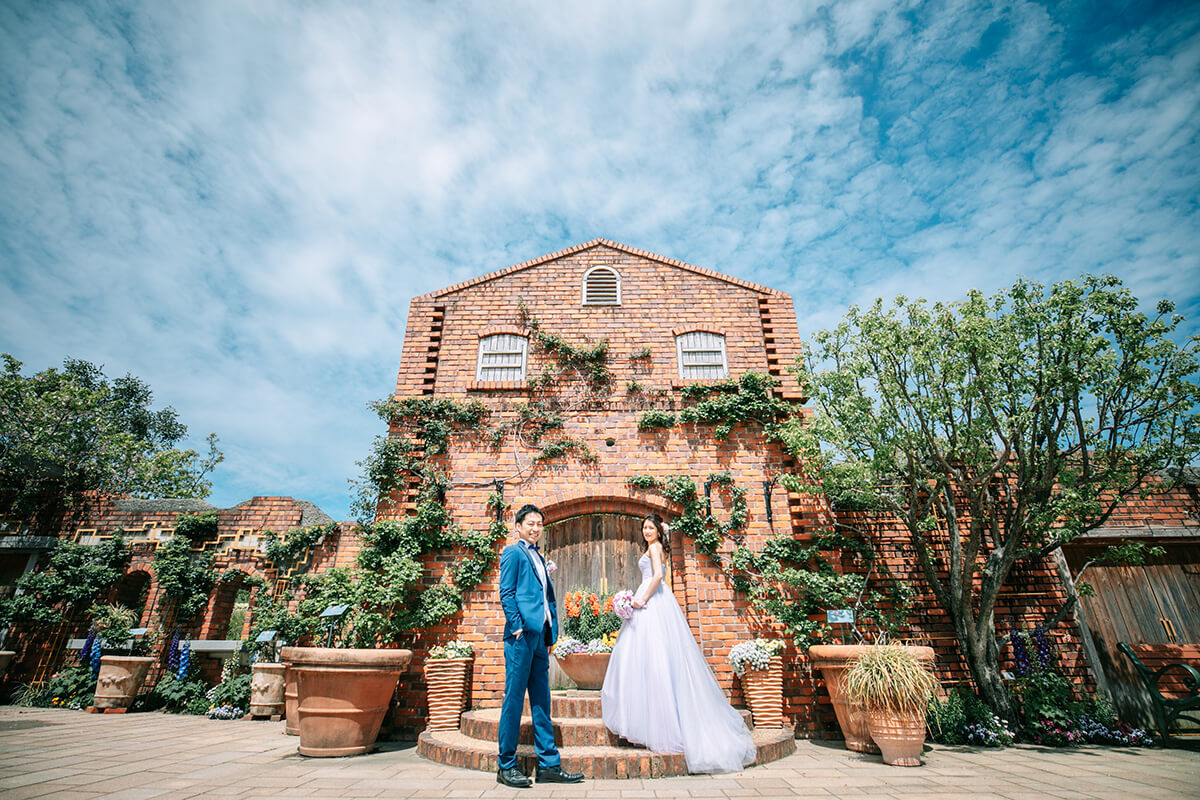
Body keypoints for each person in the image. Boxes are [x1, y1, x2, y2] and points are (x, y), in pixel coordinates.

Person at [601, 513, 757, 774]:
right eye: (644, 528)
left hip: (652, 600)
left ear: (658, 531)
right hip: (653, 598)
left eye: (651, 527)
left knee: (653, 659)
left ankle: (658, 727)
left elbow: (659, 575)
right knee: (650, 659)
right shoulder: (654, 547)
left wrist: (641, 600)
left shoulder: (655, 547)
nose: (647, 531)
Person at [496, 503, 585, 788]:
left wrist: (549, 635)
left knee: (542, 702)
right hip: (521, 639)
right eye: (530, 523)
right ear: (519, 526)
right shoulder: (513, 553)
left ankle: (548, 765)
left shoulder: (539, 556)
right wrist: (519, 628)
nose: (535, 528)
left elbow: (547, 600)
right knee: (513, 700)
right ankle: (506, 765)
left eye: (539, 524)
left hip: (540, 640)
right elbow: (506, 593)